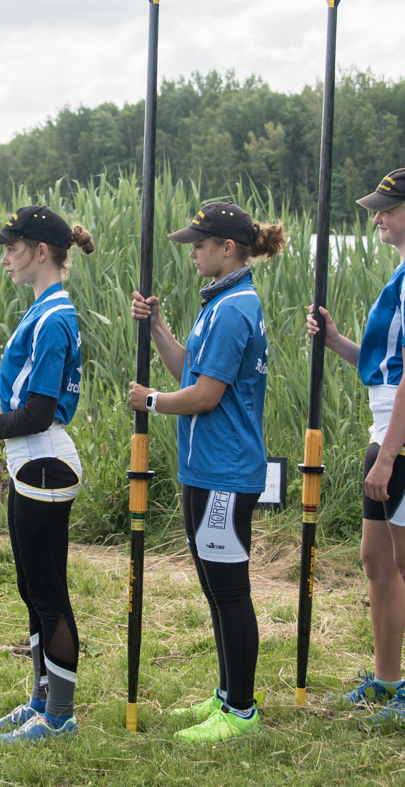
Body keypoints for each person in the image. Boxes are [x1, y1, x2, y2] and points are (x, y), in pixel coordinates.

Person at [306, 167, 405, 721]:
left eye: (385, 209)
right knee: (377, 559)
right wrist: (336, 341)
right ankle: (386, 679)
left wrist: (389, 455)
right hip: (393, 422)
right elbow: (388, 366)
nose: (377, 217)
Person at [128, 201, 285, 745]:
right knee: (215, 589)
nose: (192, 252)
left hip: (225, 471)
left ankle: (240, 711)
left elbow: (205, 395)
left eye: (199, 244)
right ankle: (226, 693)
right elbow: (189, 372)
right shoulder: (220, 301)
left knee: (230, 591)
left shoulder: (235, 308)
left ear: (228, 247)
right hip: (204, 468)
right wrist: (157, 327)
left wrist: (151, 401)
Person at [0, 206, 96, 745]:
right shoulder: (43, 310)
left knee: (49, 593)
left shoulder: (55, 317)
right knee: (32, 590)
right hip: (30, 464)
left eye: (13, 248)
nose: (5, 258)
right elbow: (24, 391)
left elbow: (38, 412)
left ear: (41, 251)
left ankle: (59, 716)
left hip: (44, 463)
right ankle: (40, 702)